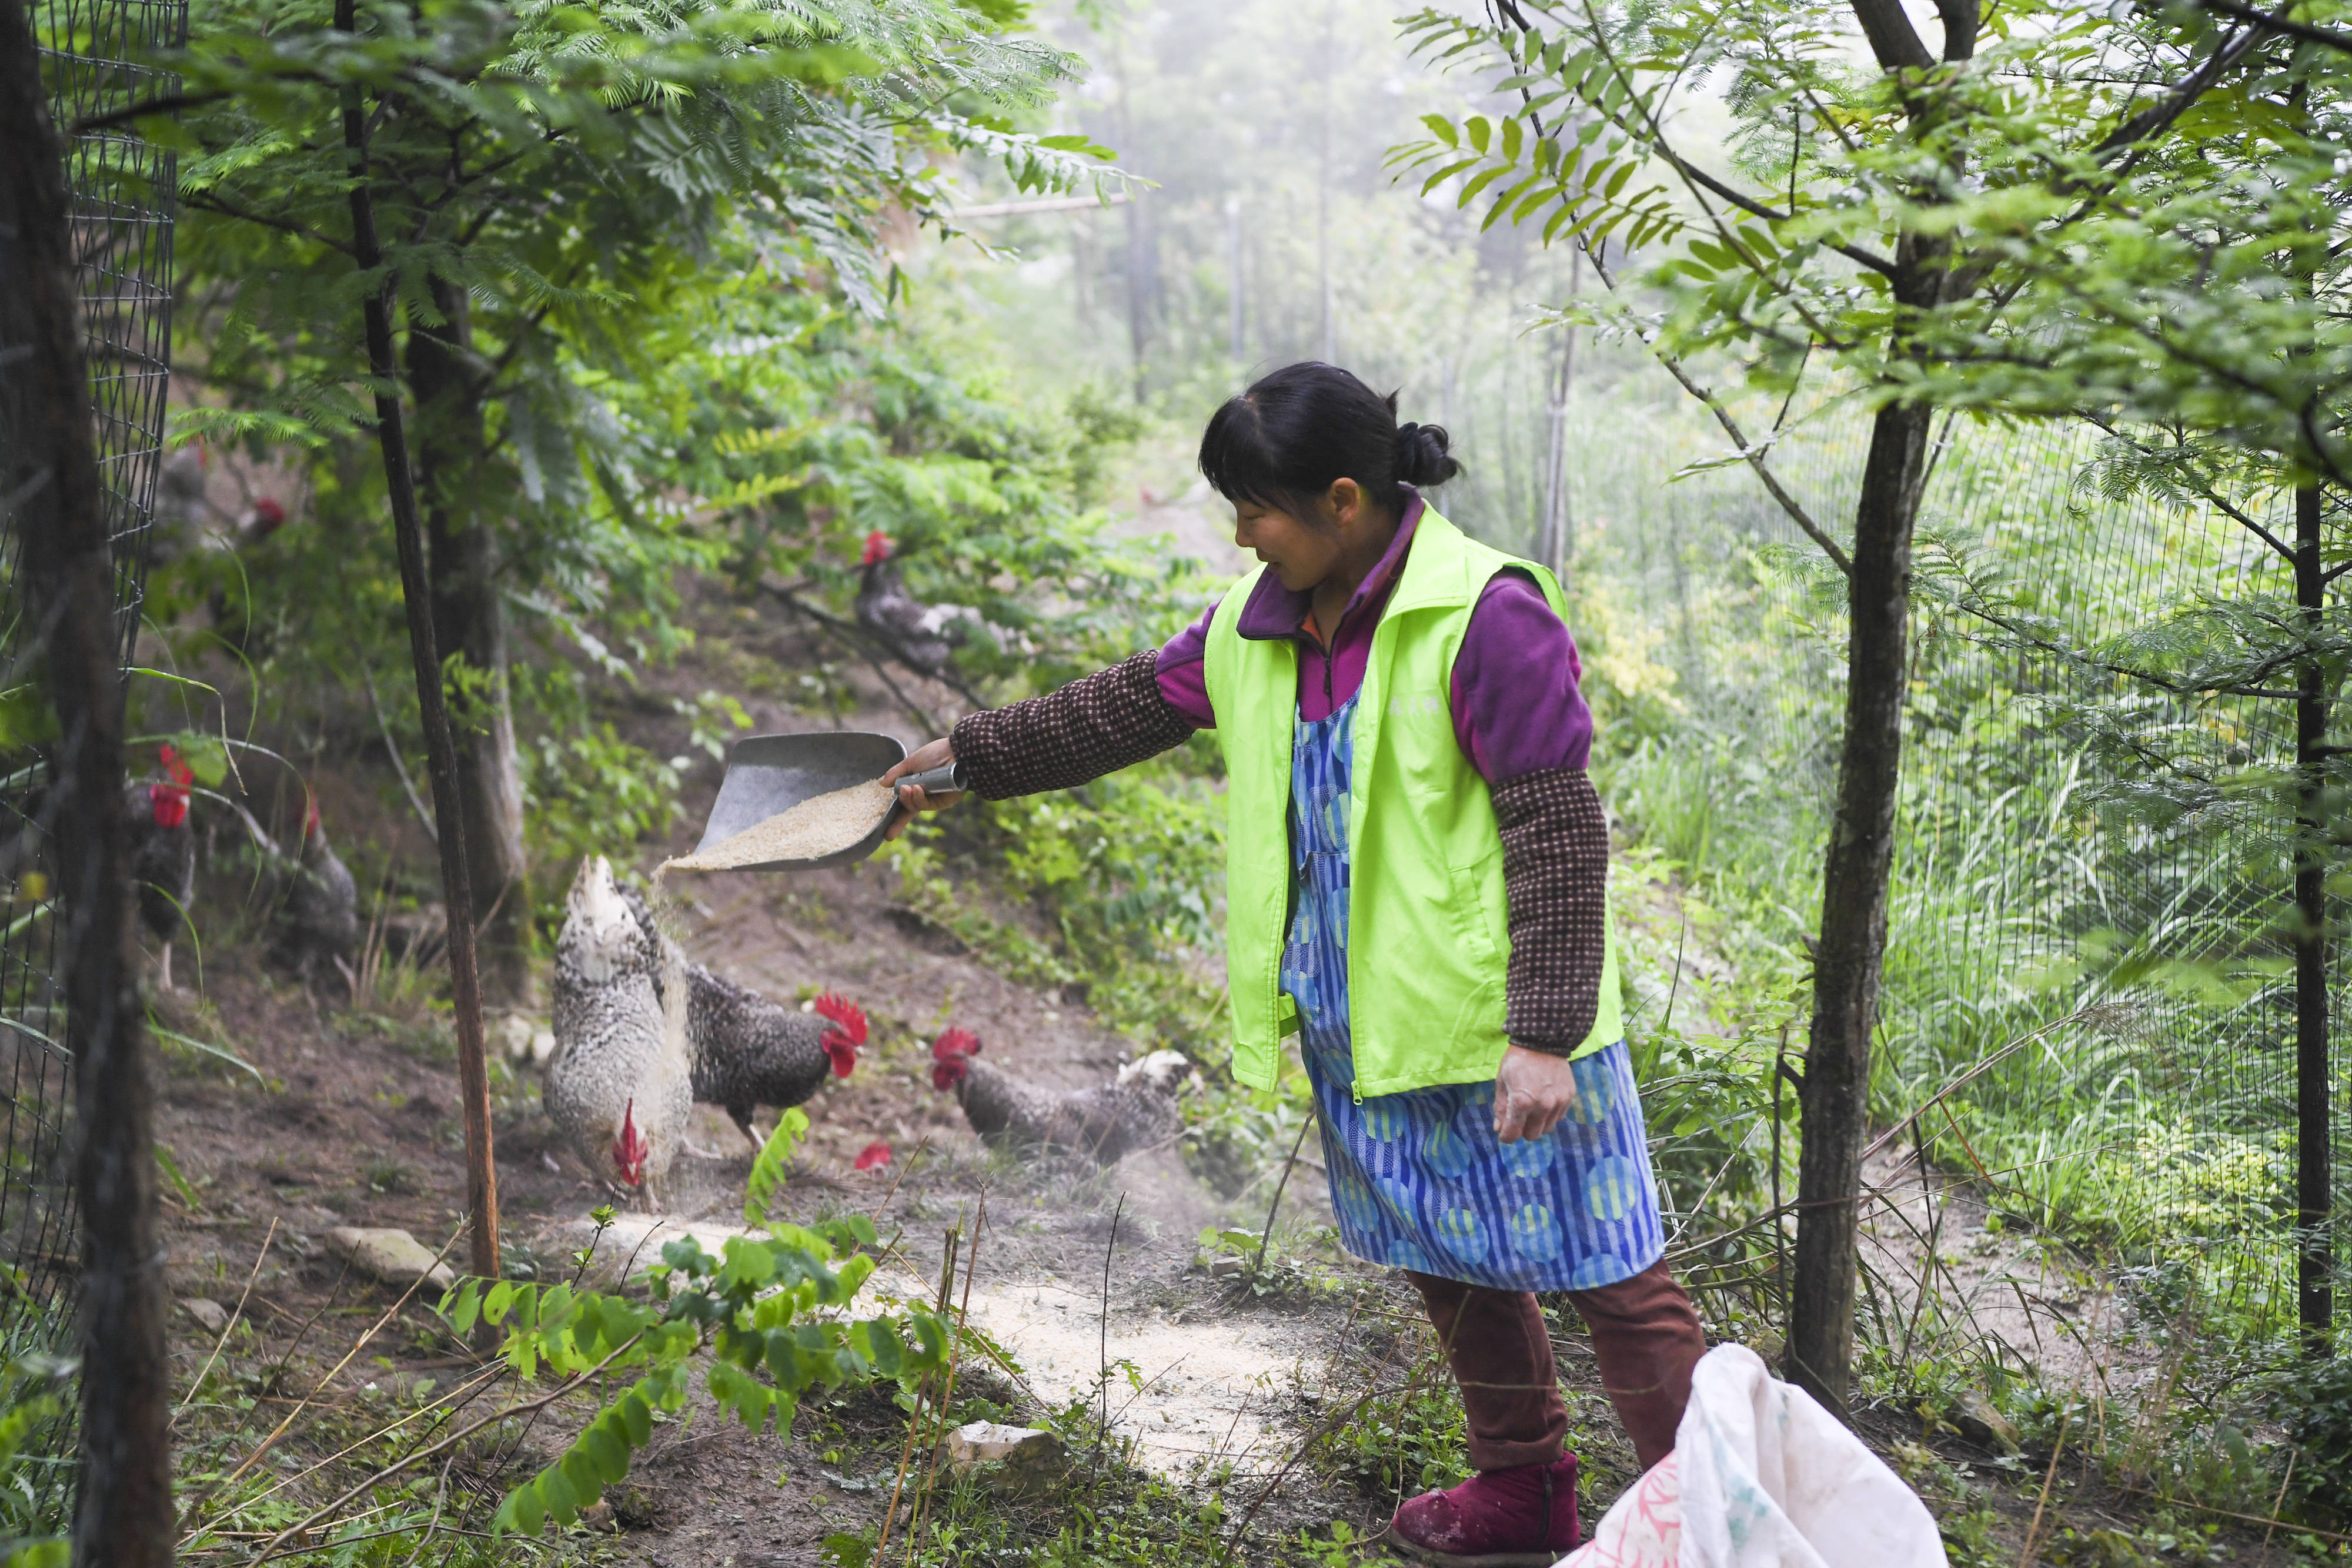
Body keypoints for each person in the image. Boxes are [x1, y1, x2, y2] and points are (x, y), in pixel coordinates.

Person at [883, 362, 1707, 1567]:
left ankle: (1715, 1528)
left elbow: (1555, 828)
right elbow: (1110, 711)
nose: (1239, 534)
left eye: (1253, 507)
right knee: (1449, 1260)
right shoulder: (1257, 624)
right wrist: (950, 762)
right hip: (1366, 1024)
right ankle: (1524, 1490)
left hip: (1501, 1019)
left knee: (1616, 1279)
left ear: (1338, 498)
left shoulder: (1486, 614)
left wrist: (1540, 1031)